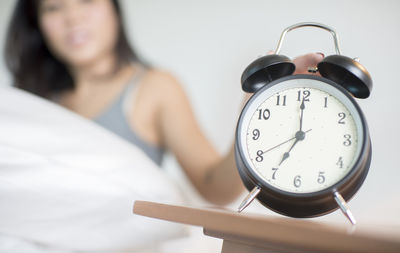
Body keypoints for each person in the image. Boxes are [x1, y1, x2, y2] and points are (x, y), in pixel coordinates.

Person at [4, 0, 324, 206]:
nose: (72, 17)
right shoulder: (34, 102)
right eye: (53, 8)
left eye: (86, 0)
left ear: (113, 9)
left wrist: (255, 111)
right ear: (37, 24)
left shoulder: (155, 87)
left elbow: (216, 188)